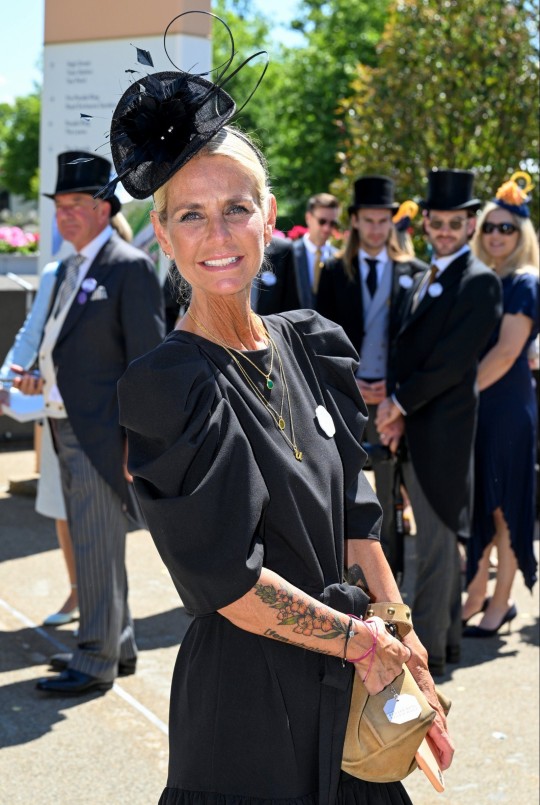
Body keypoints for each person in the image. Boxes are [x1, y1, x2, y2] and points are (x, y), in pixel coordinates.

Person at [106, 21, 453, 801]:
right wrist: (365, 643)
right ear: (162, 234)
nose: (217, 235)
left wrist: (407, 642)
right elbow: (232, 584)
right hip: (248, 710)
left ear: (270, 217)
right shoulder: (169, 383)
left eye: (236, 208)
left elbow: (356, 521)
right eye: (190, 215)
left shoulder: (313, 344)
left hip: (355, 691)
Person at [13, 150, 165, 695]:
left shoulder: (127, 267)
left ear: (105, 209)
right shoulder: (76, 266)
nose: (65, 214)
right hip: (64, 426)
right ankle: (115, 644)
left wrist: (136, 441)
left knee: (97, 545)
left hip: (102, 435)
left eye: (77, 204)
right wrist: (37, 379)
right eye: (60, 205)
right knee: (94, 542)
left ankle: (95, 658)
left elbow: (145, 364)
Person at [376, 169, 502, 676]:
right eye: (438, 222)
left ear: (471, 225)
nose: (446, 231)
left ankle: (425, 656)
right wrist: (398, 415)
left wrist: (397, 405)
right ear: (425, 221)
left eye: (456, 223)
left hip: (445, 433)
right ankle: (443, 646)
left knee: (435, 545)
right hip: (414, 428)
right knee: (432, 544)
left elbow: (452, 362)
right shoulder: (424, 273)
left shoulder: (479, 281)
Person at [317, 177, 426, 578]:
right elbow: (322, 337)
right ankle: (354, 577)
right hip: (349, 397)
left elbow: (418, 343)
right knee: (352, 491)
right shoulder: (332, 272)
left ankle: (395, 574)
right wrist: (348, 381)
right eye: (370, 220)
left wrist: (395, 389)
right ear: (356, 222)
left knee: (397, 489)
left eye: (385, 220)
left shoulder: (414, 272)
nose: (378, 228)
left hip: (397, 398)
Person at [462, 172, 539, 637]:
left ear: (522, 233)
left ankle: (501, 601)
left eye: (506, 227)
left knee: (506, 508)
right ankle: (476, 593)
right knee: (481, 505)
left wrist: (459, 393)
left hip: (506, 406)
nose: (495, 235)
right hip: (480, 405)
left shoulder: (524, 283)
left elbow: (508, 352)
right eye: (489, 226)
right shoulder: (482, 278)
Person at [0, 265, 78, 624]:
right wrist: (8, 380)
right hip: (53, 412)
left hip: (103, 420)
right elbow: (31, 334)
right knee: (62, 508)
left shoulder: (126, 268)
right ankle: (78, 592)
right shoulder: (56, 273)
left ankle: (104, 622)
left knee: (100, 519)